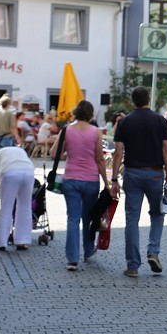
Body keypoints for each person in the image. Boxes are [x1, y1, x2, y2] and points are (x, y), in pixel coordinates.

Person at [110, 87, 167, 278]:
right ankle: (153, 252)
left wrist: (114, 180)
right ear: (148, 99)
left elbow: (118, 153)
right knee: (157, 214)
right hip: (154, 174)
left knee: (132, 219)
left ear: (133, 101)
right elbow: (166, 151)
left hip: (132, 174)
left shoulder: (124, 122)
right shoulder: (160, 120)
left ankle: (133, 265)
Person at [56, 101, 109, 271]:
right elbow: (100, 159)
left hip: (70, 179)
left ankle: (72, 259)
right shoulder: (96, 132)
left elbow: (53, 153)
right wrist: (107, 183)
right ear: (91, 114)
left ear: (76, 112)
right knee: (89, 217)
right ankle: (88, 251)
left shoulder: (66, 130)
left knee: (73, 218)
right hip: (91, 180)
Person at [0, 144, 36, 251]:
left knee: (6, 208)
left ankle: (1, 242)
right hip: (29, 172)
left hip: (10, 173)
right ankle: (22, 241)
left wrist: (0, 193)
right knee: (25, 207)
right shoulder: (16, 150)